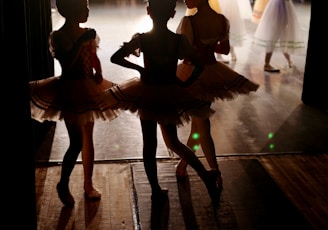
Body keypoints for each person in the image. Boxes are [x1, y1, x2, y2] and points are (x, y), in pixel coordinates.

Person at [106, 0, 222, 206]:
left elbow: (116, 57)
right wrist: (185, 84)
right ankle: (205, 175)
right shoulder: (177, 40)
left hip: (148, 93)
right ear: (172, 13)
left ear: (148, 11)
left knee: (149, 145)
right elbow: (199, 65)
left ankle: (156, 190)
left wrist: (139, 70)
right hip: (168, 92)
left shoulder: (143, 39)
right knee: (174, 142)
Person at [29, 0, 119, 207]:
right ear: (71, 11)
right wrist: (80, 43)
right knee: (76, 141)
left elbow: (93, 56)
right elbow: (67, 62)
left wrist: (98, 72)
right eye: (83, 8)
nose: (87, 11)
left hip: (87, 87)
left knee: (88, 136)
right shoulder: (59, 36)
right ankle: (63, 182)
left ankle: (88, 183)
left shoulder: (88, 32)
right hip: (69, 89)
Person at [175, 0, 260, 189]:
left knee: (202, 126)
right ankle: (183, 164)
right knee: (198, 125)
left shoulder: (189, 22)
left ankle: (214, 171)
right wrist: (208, 46)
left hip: (193, 73)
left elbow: (183, 53)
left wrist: (196, 47)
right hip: (212, 72)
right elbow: (225, 49)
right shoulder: (221, 20)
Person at [251, 0, 306, 72]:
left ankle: (289, 60)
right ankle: (267, 64)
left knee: (281, 35)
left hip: (282, 5)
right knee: (275, 35)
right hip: (279, 6)